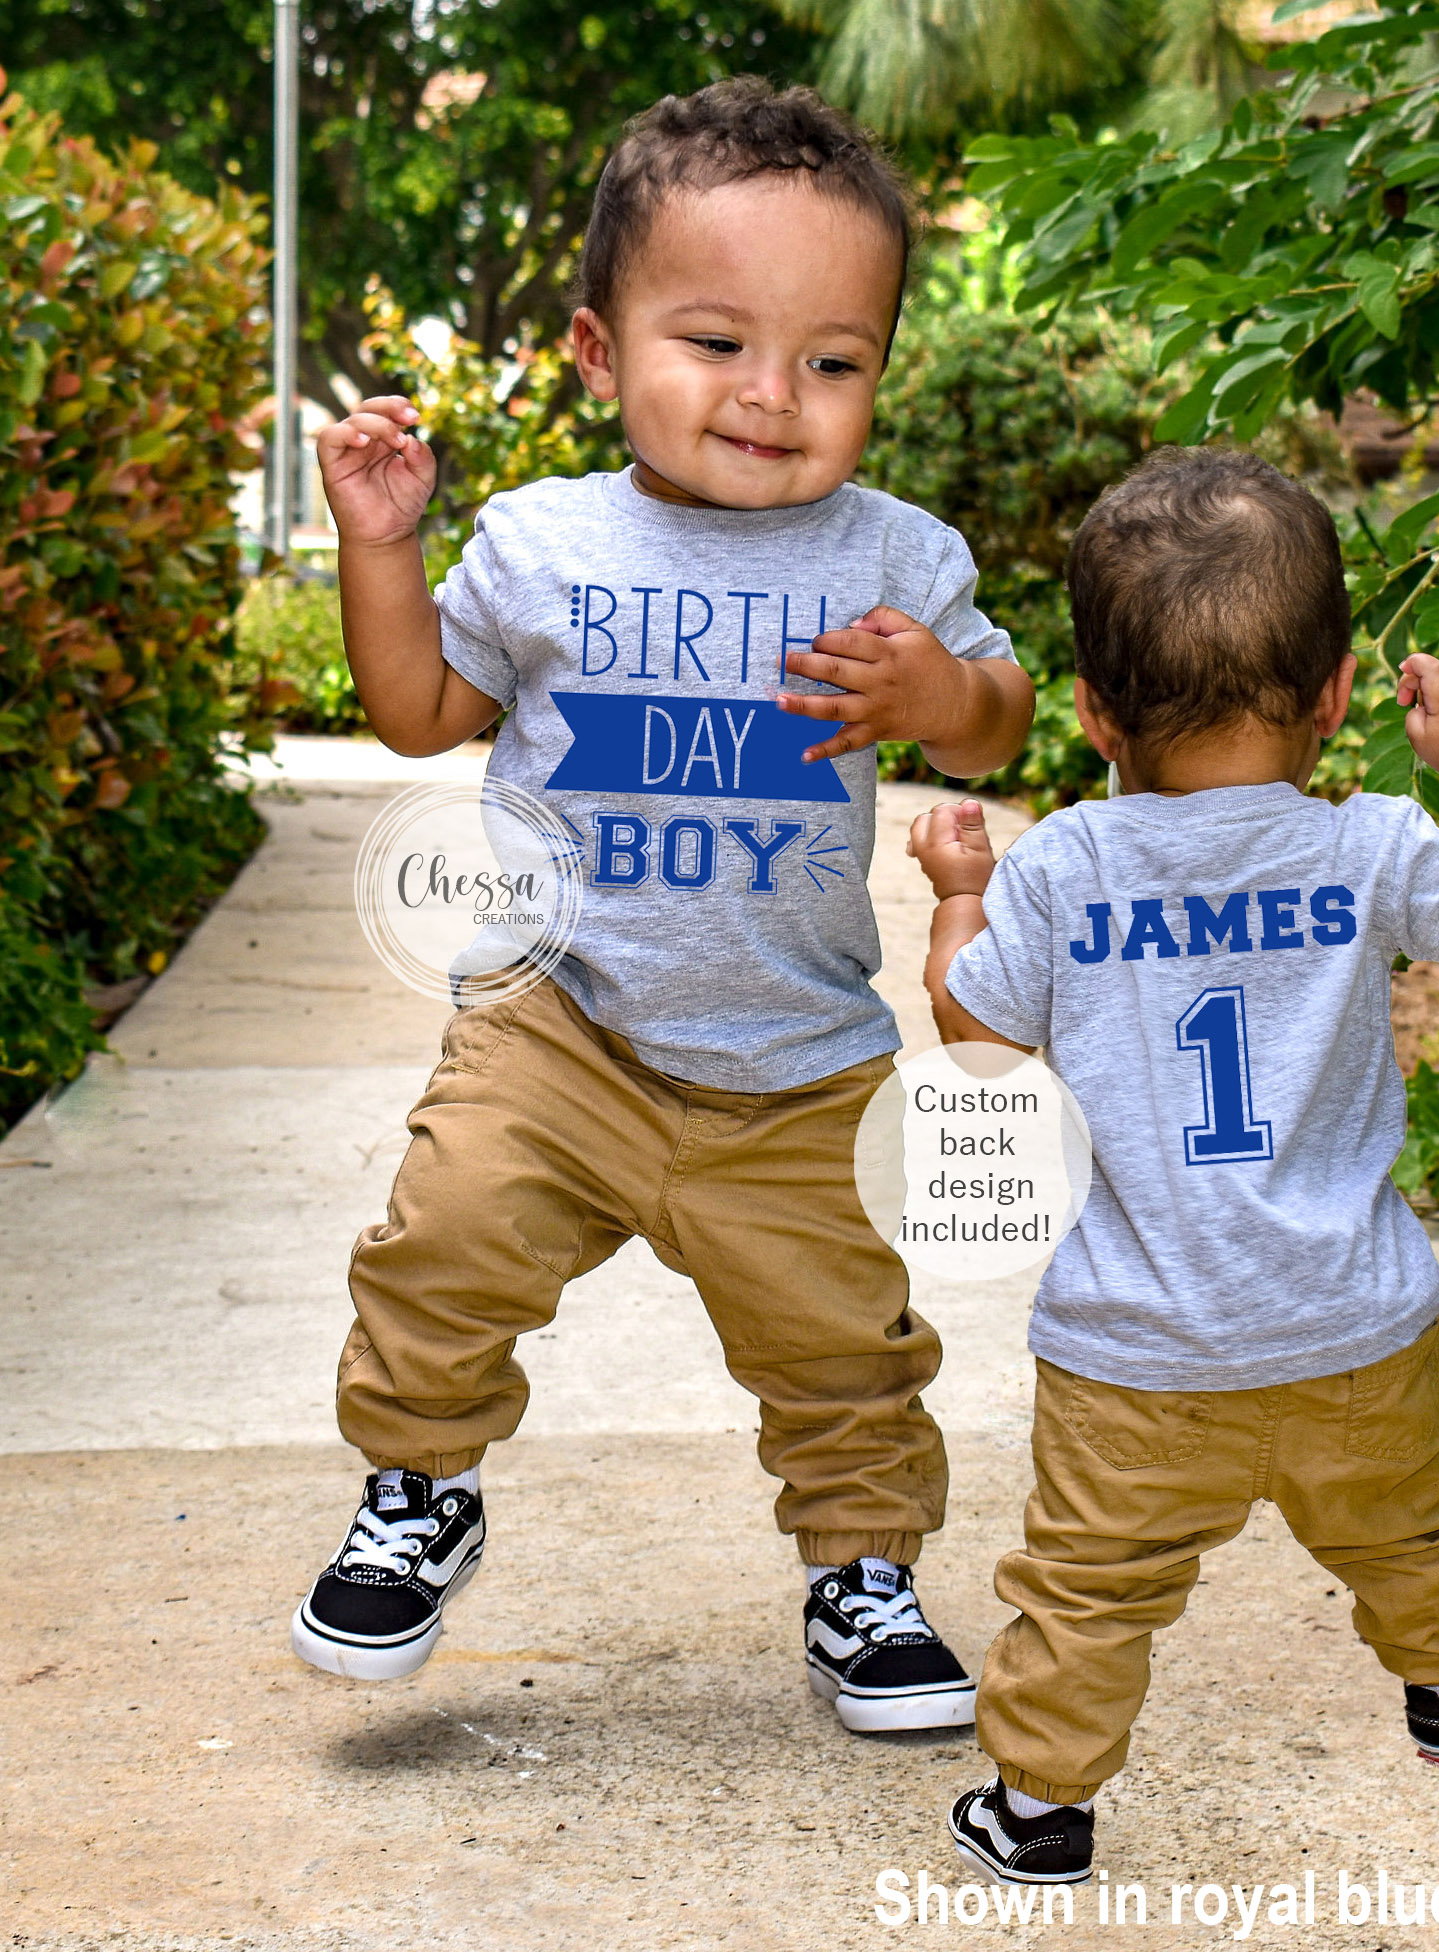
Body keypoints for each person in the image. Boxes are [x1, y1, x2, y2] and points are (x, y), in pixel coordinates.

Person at [288, 79, 1033, 1737]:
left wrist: (941, 697)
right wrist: (380, 549)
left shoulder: (896, 557)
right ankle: (420, 1488)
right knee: (445, 1241)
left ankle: (865, 1574)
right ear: (596, 352)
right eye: (717, 343)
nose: (776, 397)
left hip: (792, 1059)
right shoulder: (541, 541)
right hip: (559, 1026)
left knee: (841, 1344)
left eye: (833, 361)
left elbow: (1003, 714)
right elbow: (420, 712)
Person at [906, 446, 1439, 1883]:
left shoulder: (1064, 870)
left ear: (1093, 710)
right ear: (1337, 694)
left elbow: (974, 1029)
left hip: (1135, 1349)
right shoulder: (1367, 853)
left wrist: (964, 894)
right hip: (1352, 1329)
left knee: (1088, 1591)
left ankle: (1039, 1810)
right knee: (1407, 1535)